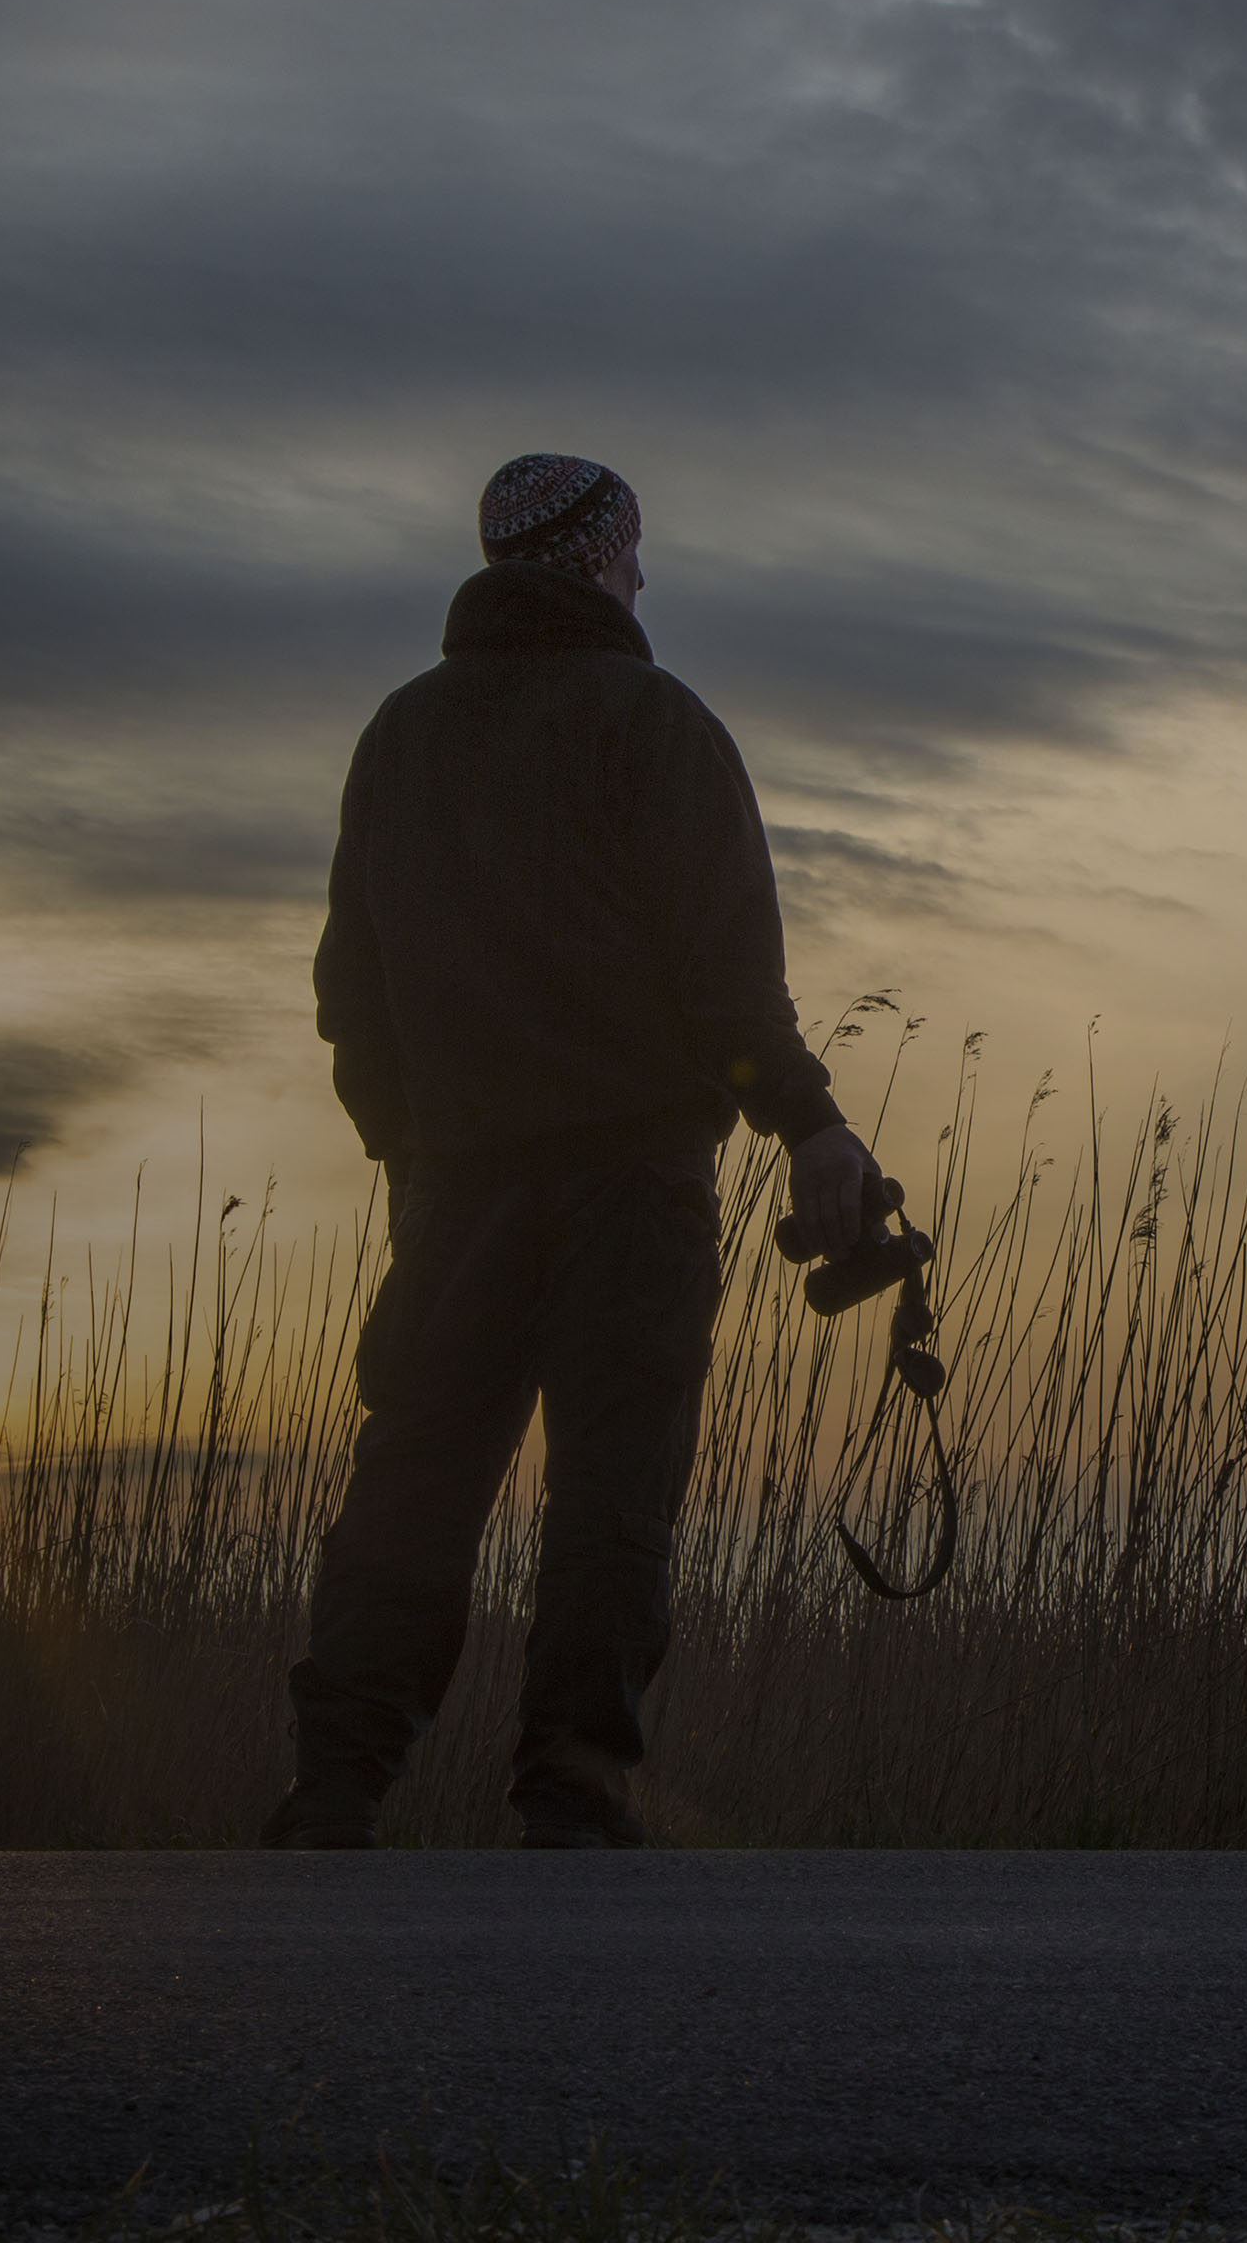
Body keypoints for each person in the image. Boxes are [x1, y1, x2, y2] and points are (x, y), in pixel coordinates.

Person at [270, 452, 882, 1851]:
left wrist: (408, 1156)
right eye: (637, 547)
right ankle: (571, 1791)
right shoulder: (659, 727)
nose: (647, 574)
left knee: (411, 1492)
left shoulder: (401, 738)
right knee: (613, 1499)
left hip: (457, 1191)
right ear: (596, 557)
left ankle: (336, 1787)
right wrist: (812, 1124)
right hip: (635, 1188)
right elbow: (731, 989)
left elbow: (347, 997)